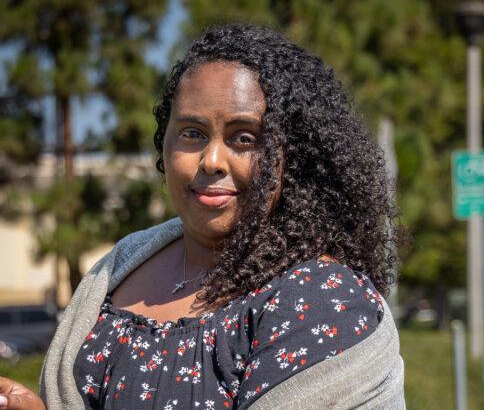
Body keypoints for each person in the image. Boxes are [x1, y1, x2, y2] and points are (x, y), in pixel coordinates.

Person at [0, 24, 405, 410]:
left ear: (294, 158)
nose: (211, 160)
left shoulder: (326, 301)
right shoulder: (122, 265)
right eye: (192, 133)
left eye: (244, 138)